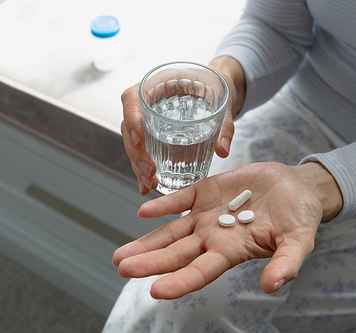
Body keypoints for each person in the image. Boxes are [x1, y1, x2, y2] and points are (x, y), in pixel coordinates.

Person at [103, 1, 356, 332]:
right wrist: (221, 82)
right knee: (184, 309)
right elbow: (277, 26)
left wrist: (330, 180)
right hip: (301, 111)